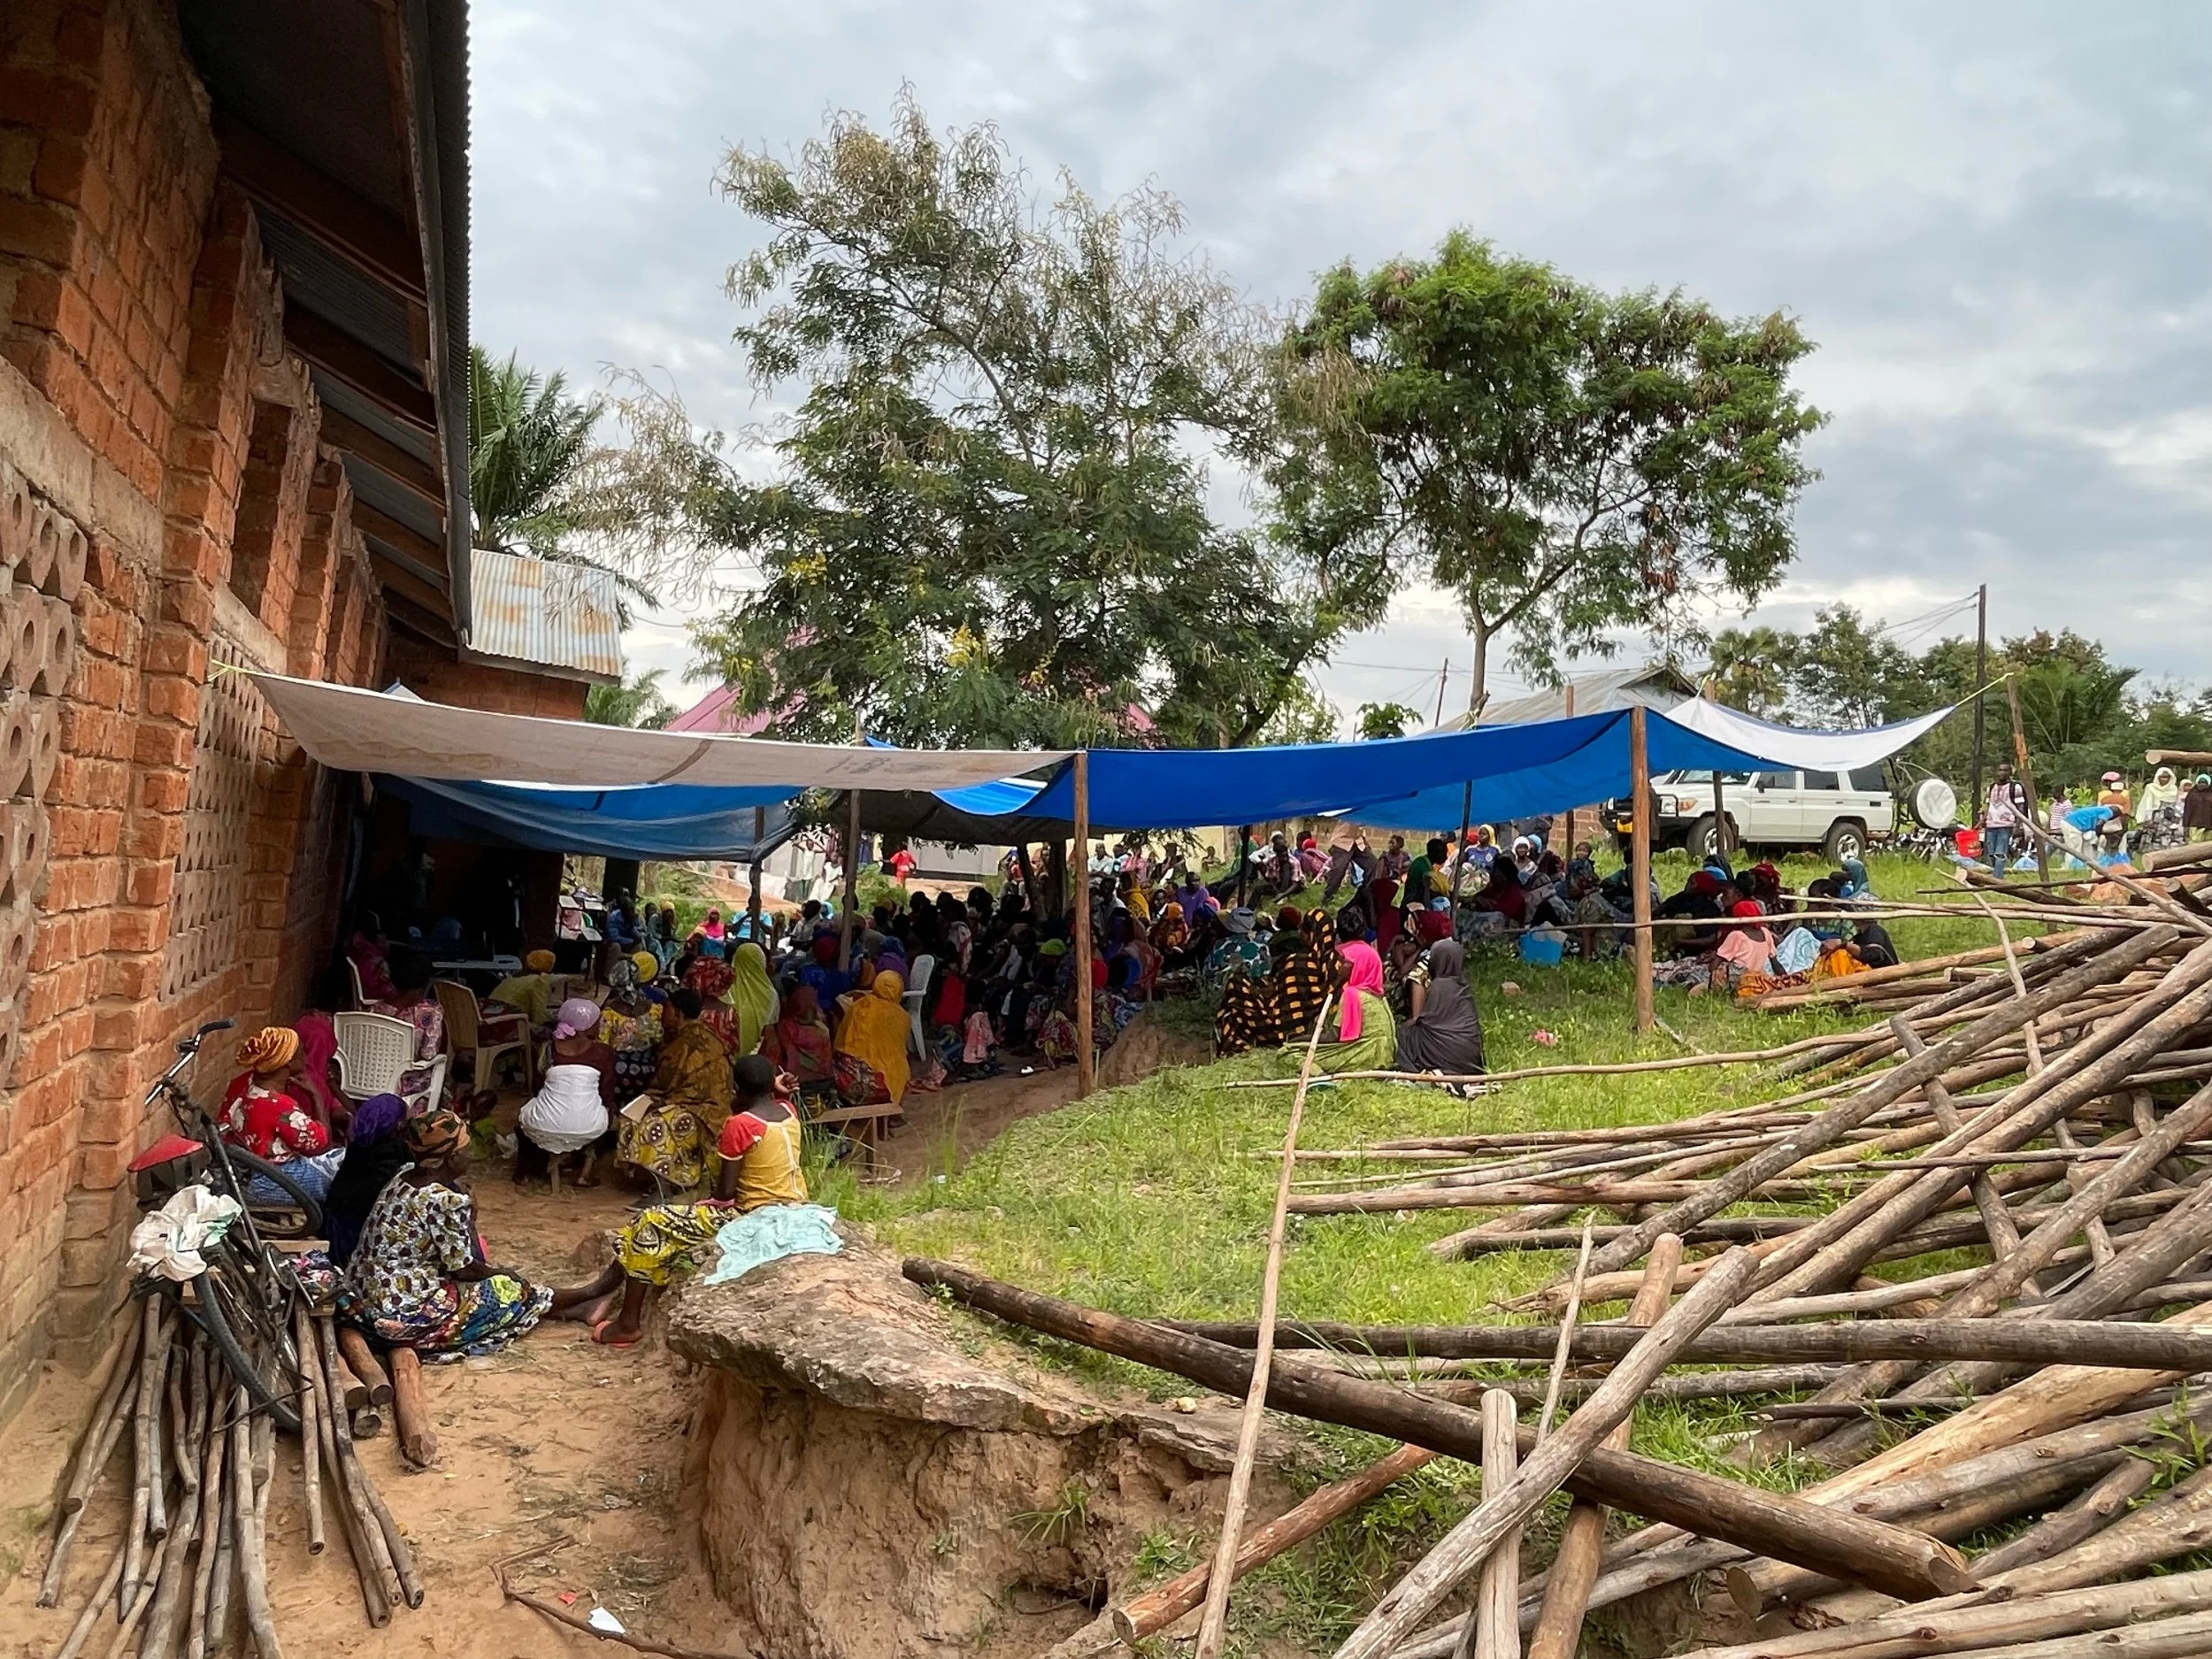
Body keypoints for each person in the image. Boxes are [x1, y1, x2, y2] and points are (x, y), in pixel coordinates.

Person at [561, 1057, 810, 1348]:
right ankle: (598, 1297)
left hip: (753, 1214)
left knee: (649, 1223)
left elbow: (725, 1194)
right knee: (650, 1222)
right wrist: (773, 1090)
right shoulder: (787, 1111)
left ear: (736, 1088)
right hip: (793, 1206)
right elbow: (758, 1104)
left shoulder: (739, 1125)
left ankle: (625, 1322)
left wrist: (709, 1203)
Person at [342, 1110, 590, 1359]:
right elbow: (464, 1268)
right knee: (506, 1288)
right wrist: (500, 1271)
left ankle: (573, 1308)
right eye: (466, 1150)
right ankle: (586, 1294)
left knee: (488, 1285)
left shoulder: (403, 1176)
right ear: (452, 1159)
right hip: (400, 1317)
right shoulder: (444, 1200)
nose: (469, 1156)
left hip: (366, 1298)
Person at [617, 987, 735, 1194]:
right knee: (630, 1114)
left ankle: (665, 1185)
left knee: (656, 1123)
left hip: (705, 1108)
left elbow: (677, 1083)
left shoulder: (691, 1041)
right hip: (675, 1097)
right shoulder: (677, 1037)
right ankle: (644, 1174)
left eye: (667, 1009)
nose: (663, 1014)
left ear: (678, 1013)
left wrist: (661, 1101)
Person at [219, 1025, 345, 1201]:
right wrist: (316, 1096)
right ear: (288, 1062)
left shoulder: (242, 1084)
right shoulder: (278, 1105)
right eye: (301, 1052)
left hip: (245, 1171)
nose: (306, 1057)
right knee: (344, 1173)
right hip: (269, 1181)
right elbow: (321, 1144)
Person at [517, 998, 616, 1187]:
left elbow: (537, 1087)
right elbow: (607, 1092)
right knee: (605, 1111)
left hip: (543, 1126)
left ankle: (525, 1172)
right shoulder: (603, 1053)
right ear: (587, 1028)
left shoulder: (547, 1049)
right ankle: (586, 1172)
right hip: (588, 1128)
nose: (601, 1026)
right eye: (598, 1022)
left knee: (528, 1111)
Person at [322, 1094, 411, 1269]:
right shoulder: (396, 1151)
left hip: (333, 1227)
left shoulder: (357, 1146)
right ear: (399, 1124)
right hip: (359, 1237)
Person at [1394, 941, 1485, 1075]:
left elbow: (1423, 1021)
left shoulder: (1438, 986)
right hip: (1469, 1056)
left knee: (1402, 1036)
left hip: (1443, 1053)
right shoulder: (1464, 987)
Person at [833, 967, 911, 1113]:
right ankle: (892, 1110)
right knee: (901, 1066)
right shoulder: (903, 1017)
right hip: (883, 1086)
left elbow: (840, 1041)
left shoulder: (859, 1006)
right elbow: (899, 1052)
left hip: (849, 1079)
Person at [1314, 941, 1396, 1073]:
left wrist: (1298, 1040)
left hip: (1363, 1054)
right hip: (1384, 1057)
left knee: (1291, 1053)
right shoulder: (1378, 996)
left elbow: (1332, 1037)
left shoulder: (1352, 994)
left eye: (1345, 962)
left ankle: (1318, 1074)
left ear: (1359, 967)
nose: (1339, 966)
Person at [763, 984, 836, 1104]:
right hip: (822, 1089)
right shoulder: (822, 1031)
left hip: (789, 1087)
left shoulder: (780, 1028)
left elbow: (768, 1061)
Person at [488, 949, 560, 1032]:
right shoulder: (539, 981)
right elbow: (539, 1016)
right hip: (509, 1024)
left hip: (492, 1020)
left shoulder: (513, 977)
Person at [729, 941, 778, 1058]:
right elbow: (769, 1030)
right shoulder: (770, 994)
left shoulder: (726, 990)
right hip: (756, 1058)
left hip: (728, 1056)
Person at [1983, 763, 2031, 871]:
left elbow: (2020, 807)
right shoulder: (1991, 787)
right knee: (1990, 854)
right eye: (2000, 770)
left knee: (2000, 853)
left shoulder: (2015, 787)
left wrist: (2017, 825)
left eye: (2005, 770)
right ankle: (1995, 873)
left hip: (2006, 825)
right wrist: (1983, 821)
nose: (2002, 773)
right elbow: (1988, 805)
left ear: (2010, 773)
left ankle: (1997, 876)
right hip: (1991, 825)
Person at [2188, 775, 2212, 845]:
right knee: (2194, 843)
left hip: (2209, 824)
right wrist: (2186, 824)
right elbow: (2188, 810)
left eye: (2204, 783)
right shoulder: (2192, 794)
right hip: (2194, 823)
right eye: (2200, 783)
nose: (2202, 785)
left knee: (2208, 845)